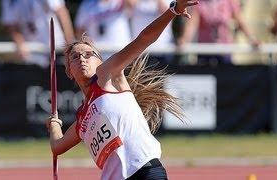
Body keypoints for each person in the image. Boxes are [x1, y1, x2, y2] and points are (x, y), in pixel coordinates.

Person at [46, 0, 199, 179]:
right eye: (75, 56)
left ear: (100, 61)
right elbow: (57, 146)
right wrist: (54, 124)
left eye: (89, 54)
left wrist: (172, 11)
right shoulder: (82, 118)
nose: (82, 58)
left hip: (145, 172)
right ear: (69, 71)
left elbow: (144, 39)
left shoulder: (107, 75)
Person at [177, 0, 259, 65]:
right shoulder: (199, 3)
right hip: (205, 51)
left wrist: (251, 39)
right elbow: (192, 24)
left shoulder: (229, 2)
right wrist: (184, 39)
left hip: (224, 50)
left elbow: (240, 21)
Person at [0, 0, 75, 68]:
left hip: (57, 47)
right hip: (32, 52)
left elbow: (61, 11)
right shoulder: (9, 1)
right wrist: (20, 43)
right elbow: (11, 24)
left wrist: (69, 41)